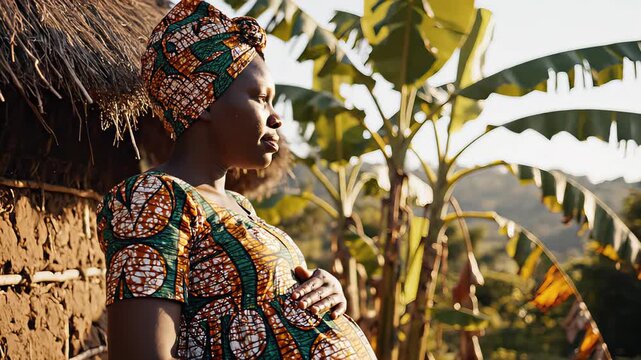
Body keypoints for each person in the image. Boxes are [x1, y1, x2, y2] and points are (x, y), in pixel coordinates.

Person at [96, 0, 377, 358]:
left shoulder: (239, 206)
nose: (276, 119)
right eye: (262, 99)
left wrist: (326, 291)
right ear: (206, 102)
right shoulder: (154, 197)